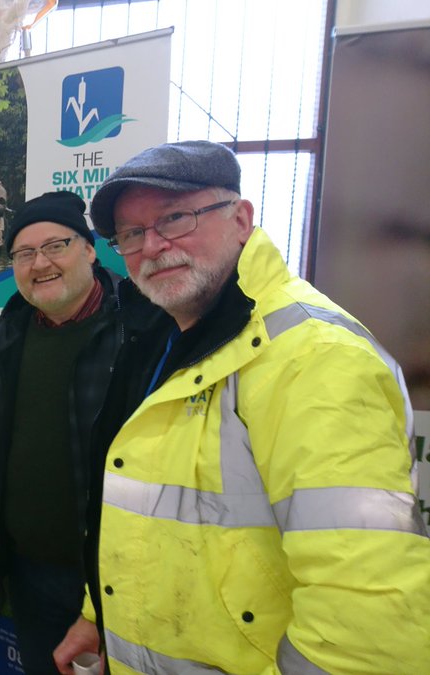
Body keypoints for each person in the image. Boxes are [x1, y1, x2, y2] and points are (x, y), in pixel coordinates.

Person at [53, 140, 430, 674]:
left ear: (242, 219)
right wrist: (98, 615)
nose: (152, 246)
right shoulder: (162, 336)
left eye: (176, 218)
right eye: (132, 233)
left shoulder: (314, 358)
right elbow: (152, 517)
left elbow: (369, 618)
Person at [0, 191, 123, 674]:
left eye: (56, 246)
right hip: (29, 570)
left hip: (112, 576)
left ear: (90, 250)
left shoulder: (138, 332)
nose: (40, 263)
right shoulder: (4, 339)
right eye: (24, 253)